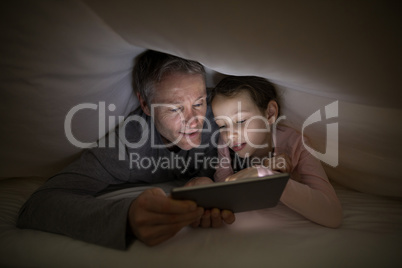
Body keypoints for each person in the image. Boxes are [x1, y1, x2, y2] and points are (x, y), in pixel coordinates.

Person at [17, 50, 235, 250]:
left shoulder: (219, 114)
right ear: (146, 105)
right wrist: (127, 218)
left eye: (198, 103)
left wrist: (205, 182)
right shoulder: (127, 146)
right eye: (175, 108)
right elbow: (39, 204)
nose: (195, 121)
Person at [209, 75, 343, 228]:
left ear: (270, 114)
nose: (230, 134)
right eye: (221, 125)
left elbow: (332, 215)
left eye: (240, 121)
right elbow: (223, 191)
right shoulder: (225, 143)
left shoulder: (295, 144)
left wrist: (271, 178)